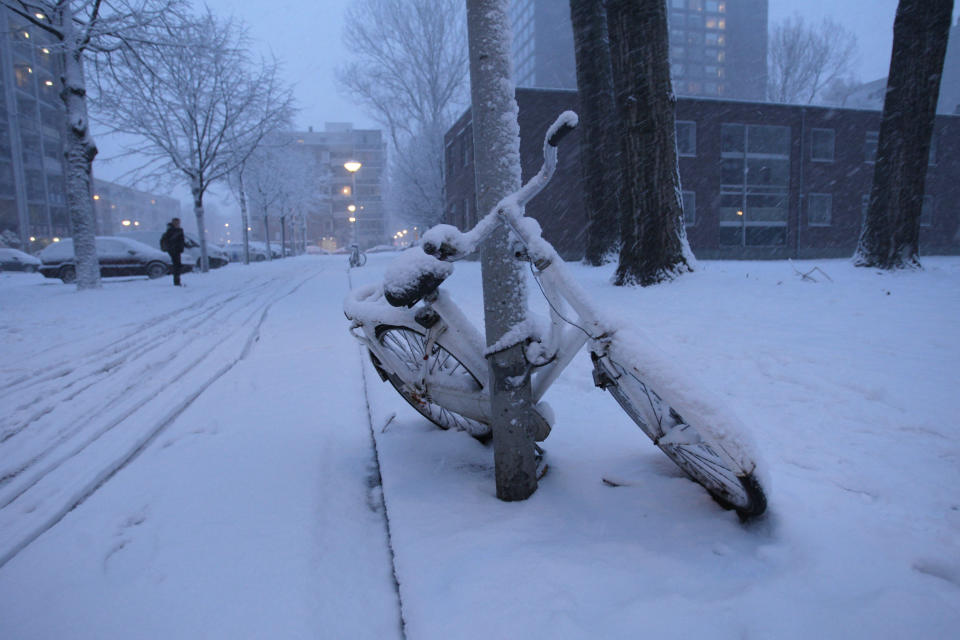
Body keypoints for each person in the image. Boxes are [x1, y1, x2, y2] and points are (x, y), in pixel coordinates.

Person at [160, 218, 186, 286]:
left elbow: (181, 240)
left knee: (177, 265)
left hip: (177, 250)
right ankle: (176, 281)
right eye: (176, 223)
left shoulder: (178, 230)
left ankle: (177, 280)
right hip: (174, 250)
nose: (177, 224)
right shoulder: (172, 231)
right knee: (177, 265)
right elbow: (172, 241)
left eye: (178, 223)